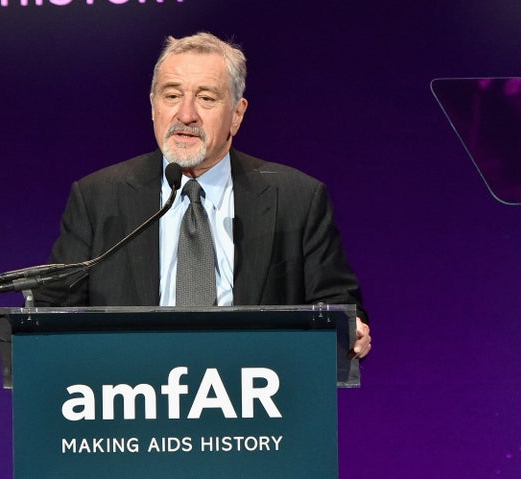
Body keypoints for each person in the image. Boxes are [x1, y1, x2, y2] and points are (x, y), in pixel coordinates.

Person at [33, 32, 371, 359]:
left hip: (255, 396)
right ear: (153, 106)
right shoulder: (98, 198)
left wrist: (350, 327)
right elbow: (52, 315)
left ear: (237, 114)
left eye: (206, 98)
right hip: (132, 396)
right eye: (171, 95)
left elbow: (337, 305)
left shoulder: (298, 198)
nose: (186, 114)